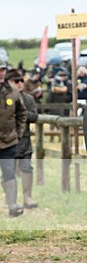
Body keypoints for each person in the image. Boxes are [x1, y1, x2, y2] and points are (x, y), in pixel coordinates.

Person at [5, 70, 39, 209]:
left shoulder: (28, 99)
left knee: (26, 168)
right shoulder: (3, 97)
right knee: (8, 171)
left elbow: (34, 116)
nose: (19, 84)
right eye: (16, 81)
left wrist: (20, 113)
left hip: (24, 140)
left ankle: (27, 197)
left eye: (21, 81)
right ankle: (10, 200)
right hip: (6, 141)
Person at [0, 60, 27, 217]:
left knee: (9, 173)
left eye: (3, 70)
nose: (1, 73)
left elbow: (22, 113)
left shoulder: (13, 92)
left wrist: (18, 133)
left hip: (8, 141)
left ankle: (12, 205)